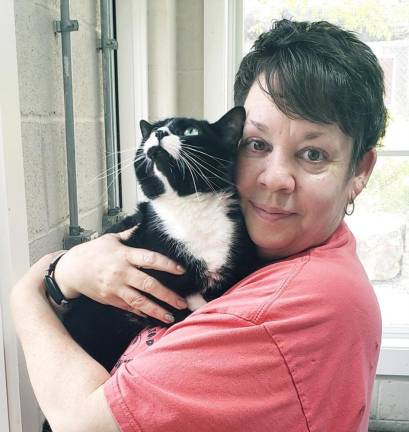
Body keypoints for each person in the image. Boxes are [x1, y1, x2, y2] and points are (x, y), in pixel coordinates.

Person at [11, 19, 386, 432]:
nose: (274, 178)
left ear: (359, 171)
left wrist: (30, 292)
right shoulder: (273, 255)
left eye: (313, 154)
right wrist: (70, 269)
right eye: (257, 144)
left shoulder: (292, 310)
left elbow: (82, 424)